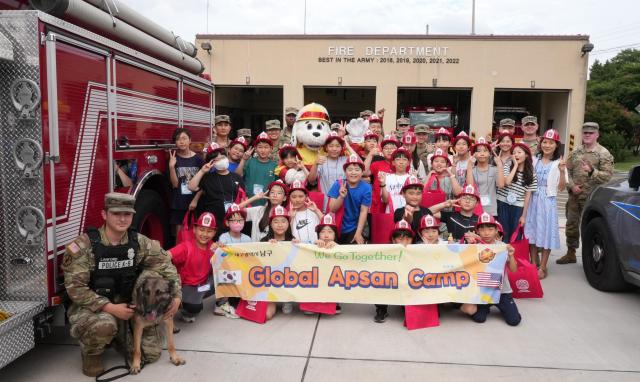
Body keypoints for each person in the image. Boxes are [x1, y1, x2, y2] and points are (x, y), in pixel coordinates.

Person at [62, 193, 182, 377]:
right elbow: (75, 288)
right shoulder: (85, 245)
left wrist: (176, 295)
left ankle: (119, 338)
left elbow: (165, 265)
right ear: (104, 214)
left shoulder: (139, 242)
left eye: (127, 214)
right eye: (116, 213)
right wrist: (110, 307)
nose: (122, 219)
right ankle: (92, 353)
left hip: (128, 308)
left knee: (151, 355)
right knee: (103, 326)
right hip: (94, 308)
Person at [557, 122, 614, 264]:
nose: (587, 135)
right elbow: (566, 171)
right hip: (574, 197)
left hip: (593, 198)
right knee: (571, 225)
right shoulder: (576, 151)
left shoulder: (603, 153)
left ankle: (591, 257)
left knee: (590, 228)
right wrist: (571, 186)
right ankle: (571, 253)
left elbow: (607, 176)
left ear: (597, 135)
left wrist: (592, 171)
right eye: (585, 133)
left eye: (591, 133)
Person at [460, 213, 521, 327]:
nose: (486, 233)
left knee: (514, 320)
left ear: (496, 230)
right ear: (477, 231)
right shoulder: (474, 246)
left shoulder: (502, 246)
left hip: (502, 291)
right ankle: (476, 306)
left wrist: (511, 255)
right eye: (482, 229)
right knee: (479, 318)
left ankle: (501, 305)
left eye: (490, 229)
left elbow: (513, 270)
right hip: (483, 290)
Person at [525, 129, 567, 279]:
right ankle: (533, 263)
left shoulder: (558, 163)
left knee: (546, 233)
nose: (547, 145)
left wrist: (562, 171)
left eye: (551, 143)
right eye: (545, 142)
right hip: (532, 198)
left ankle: (543, 267)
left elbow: (561, 187)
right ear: (540, 143)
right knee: (532, 231)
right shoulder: (534, 160)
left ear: (556, 146)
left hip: (548, 201)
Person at [169, 212, 220, 323]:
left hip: (204, 284)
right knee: (193, 308)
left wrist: (221, 250)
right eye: (201, 229)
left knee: (226, 277)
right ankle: (186, 309)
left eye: (209, 231)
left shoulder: (214, 247)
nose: (205, 234)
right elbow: (166, 255)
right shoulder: (186, 246)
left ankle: (221, 303)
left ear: (214, 232)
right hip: (188, 286)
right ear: (194, 229)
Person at [188, 143, 245, 228]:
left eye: (222, 158)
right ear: (212, 163)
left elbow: (243, 198)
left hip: (233, 220)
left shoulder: (236, 177)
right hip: (213, 221)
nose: (221, 161)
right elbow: (191, 187)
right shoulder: (207, 177)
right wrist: (202, 171)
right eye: (216, 160)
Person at [374, 219, 414, 323]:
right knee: (379, 278)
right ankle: (381, 308)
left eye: (407, 239)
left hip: (408, 283)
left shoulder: (417, 251)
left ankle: (407, 307)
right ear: (393, 239)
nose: (404, 242)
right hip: (391, 281)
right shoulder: (385, 252)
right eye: (400, 239)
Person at [496, 142, 537, 241]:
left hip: (518, 207)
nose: (516, 155)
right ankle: (502, 256)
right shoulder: (507, 166)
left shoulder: (532, 174)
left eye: (519, 152)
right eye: (514, 153)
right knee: (502, 233)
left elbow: (527, 197)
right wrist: (515, 166)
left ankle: (513, 256)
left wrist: (523, 216)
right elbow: (507, 182)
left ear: (526, 155)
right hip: (502, 203)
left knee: (515, 235)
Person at [168, 129, 204, 238]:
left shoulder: (198, 159)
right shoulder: (173, 159)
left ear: (190, 141)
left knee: (196, 233)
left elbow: (204, 183)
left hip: (196, 202)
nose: (181, 142)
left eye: (184, 138)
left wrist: (196, 200)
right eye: (178, 139)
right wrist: (171, 167)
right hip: (179, 202)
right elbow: (174, 184)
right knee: (179, 235)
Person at [328, 155, 371, 244]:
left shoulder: (366, 188)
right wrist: (341, 197)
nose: (353, 172)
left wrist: (358, 233)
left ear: (362, 172)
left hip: (355, 227)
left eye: (357, 170)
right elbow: (332, 209)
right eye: (350, 169)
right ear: (345, 171)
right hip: (336, 226)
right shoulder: (338, 184)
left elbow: (364, 211)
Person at [262, 206, 297, 316]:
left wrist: (299, 247)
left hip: (287, 278)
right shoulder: (263, 241)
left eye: (283, 221)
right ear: (270, 224)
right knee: (267, 315)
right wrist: (267, 247)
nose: (280, 225)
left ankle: (287, 299)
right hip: (269, 281)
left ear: (288, 223)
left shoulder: (293, 240)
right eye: (276, 221)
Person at [308, 131, 349, 210]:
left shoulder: (345, 160)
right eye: (331, 146)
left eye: (338, 146)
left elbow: (362, 168)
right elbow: (311, 180)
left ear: (342, 147)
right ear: (326, 147)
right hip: (326, 204)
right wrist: (316, 164)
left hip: (344, 202)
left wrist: (348, 146)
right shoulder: (321, 160)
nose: (334, 149)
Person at [235, 132, 277, 207]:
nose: (263, 150)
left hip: (266, 204)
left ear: (271, 149)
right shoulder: (249, 162)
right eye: (260, 147)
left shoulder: (275, 166)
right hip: (248, 202)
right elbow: (237, 176)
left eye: (266, 147)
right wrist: (243, 160)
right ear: (255, 148)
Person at [467, 137, 505, 217]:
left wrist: (500, 165)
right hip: (474, 210)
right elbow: (470, 186)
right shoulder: (471, 170)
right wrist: (469, 166)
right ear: (474, 154)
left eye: (485, 150)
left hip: (491, 210)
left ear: (489, 153)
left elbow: (501, 185)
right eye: (478, 151)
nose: (482, 153)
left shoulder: (494, 169)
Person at [367, 134, 401, 213]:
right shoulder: (376, 164)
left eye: (392, 148)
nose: (389, 150)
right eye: (386, 148)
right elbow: (364, 172)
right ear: (382, 151)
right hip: (377, 205)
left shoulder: (401, 165)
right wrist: (370, 154)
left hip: (396, 205)